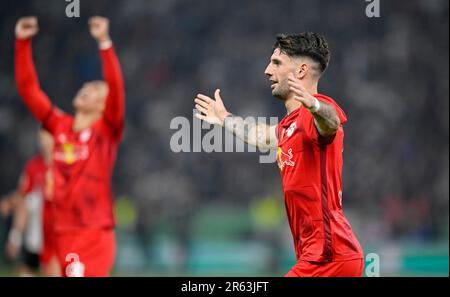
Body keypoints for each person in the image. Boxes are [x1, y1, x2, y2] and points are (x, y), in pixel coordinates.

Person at [194, 33, 364, 277]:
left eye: (276, 63)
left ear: (302, 70)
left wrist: (314, 105)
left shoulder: (315, 111)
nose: (267, 70)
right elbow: (261, 136)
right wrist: (225, 118)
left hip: (329, 256)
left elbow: (332, 123)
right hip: (321, 255)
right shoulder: (289, 126)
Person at [15, 15, 125, 277]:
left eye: (95, 89)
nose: (86, 87)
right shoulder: (59, 126)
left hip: (92, 231)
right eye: (87, 85)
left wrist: (104, 44)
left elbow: (117, 90)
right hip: (63, 230)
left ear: (102, 105)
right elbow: (29, 91)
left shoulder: (105, 131)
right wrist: (22, 43)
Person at [0, 129, 59, 277]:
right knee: (30, 201)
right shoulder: (34, 166)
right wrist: (10, 201)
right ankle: (17, 241)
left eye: (46, 137)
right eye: (41, 137)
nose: (42, 141)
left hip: (59, 230)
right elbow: (23, 196)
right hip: (37, 231)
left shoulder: (66, 164)